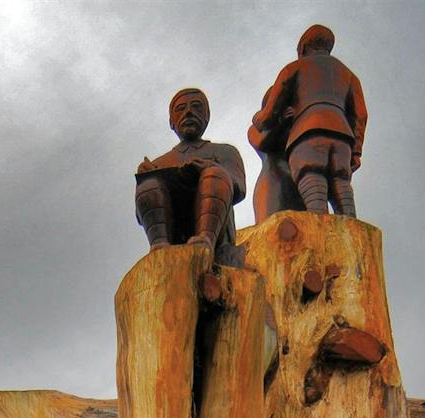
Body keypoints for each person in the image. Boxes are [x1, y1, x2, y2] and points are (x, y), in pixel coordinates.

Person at [250, 24, 367, 218]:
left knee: (311, 176)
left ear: (303, 48)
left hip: (308, 132)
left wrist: (260, 119)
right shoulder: (349, 75)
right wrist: (356, 149)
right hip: (343, 136)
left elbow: (271, 109)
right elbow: (360, 114)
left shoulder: (294, 68)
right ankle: (349, 225)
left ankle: (318, 222)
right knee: (341, 181)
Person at [134, 88, 247, 263]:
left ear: (207, 116)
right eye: (180, 109)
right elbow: (140, 215)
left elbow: (239, 188)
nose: (188, 113)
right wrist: (145, 176)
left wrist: (209, 167)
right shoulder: (161, 162)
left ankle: (206, 238)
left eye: (196, 107)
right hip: (175, 232)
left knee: (215, 174)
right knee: (148, 184)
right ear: (172, 122)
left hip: (218, 237)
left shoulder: (224, 151)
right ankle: (160, 246)